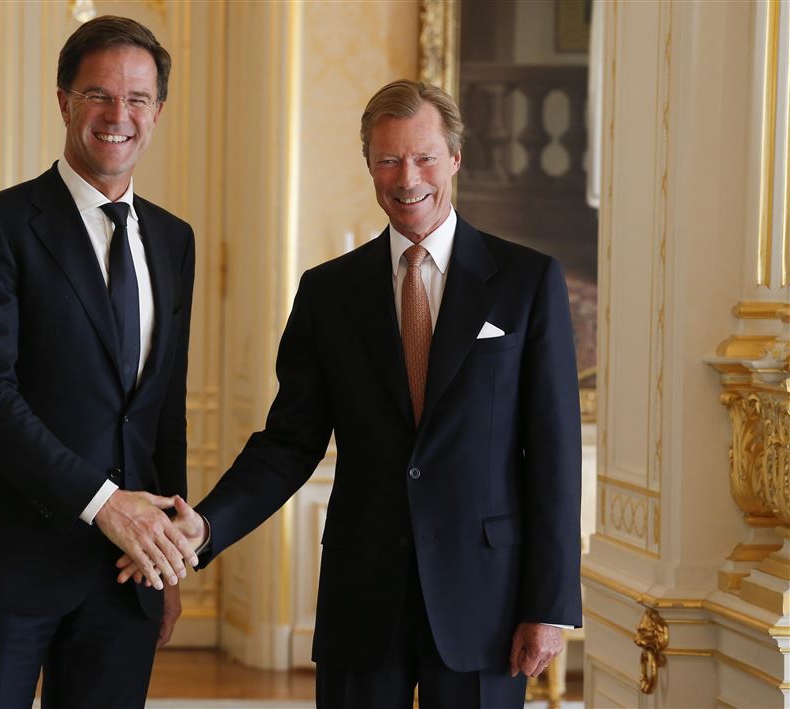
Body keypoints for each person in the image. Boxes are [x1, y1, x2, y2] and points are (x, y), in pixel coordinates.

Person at [122, 80, 583, 708]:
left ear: (455, 158)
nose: (407, 178)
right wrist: (205, 526)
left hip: (486, 601)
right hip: (362, 597)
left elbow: (553, 453)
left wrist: (548, 604)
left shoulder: (527, 281)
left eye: (424, 158)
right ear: (369, 166)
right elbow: (289, 442)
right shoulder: (328, 293)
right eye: (388, 159)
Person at [0, 15, 199, 709]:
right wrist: (105, 504)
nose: (118, 115)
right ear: (64, 102)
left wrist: (168, 559)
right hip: (8, 564)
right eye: (98, 95)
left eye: (137, 98)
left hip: (126, 574)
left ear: (158, 111)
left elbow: (162, 409)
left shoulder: (174, 241)